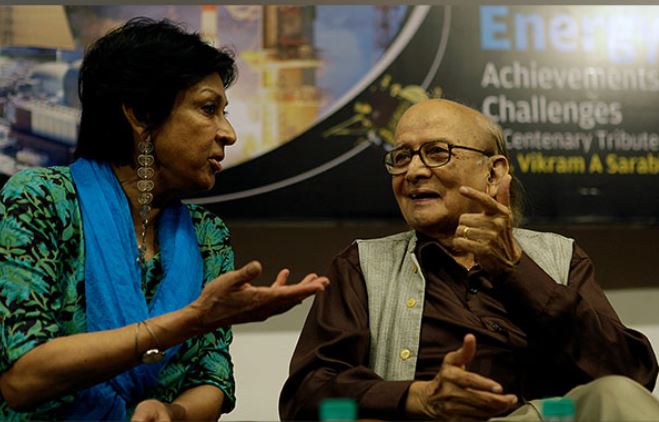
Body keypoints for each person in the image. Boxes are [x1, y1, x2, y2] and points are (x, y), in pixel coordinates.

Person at [0, 17, 329, 421]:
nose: (228, 133)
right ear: (141, 115)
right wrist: (190, 321)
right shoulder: (42, 200)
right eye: (209, 109)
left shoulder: (207, 234)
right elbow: (22, 379)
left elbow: (213, 377)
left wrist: (173, 415)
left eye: (224, 112)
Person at [279, 98, 659, 421]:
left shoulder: (560, 257)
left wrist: (516, 269)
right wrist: (417, 397)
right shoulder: (361, 265)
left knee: (617, 395)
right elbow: (304, 399)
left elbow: (632, 374)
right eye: (401, 156)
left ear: (493, 173)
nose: (413, 171)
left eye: (437, 152)